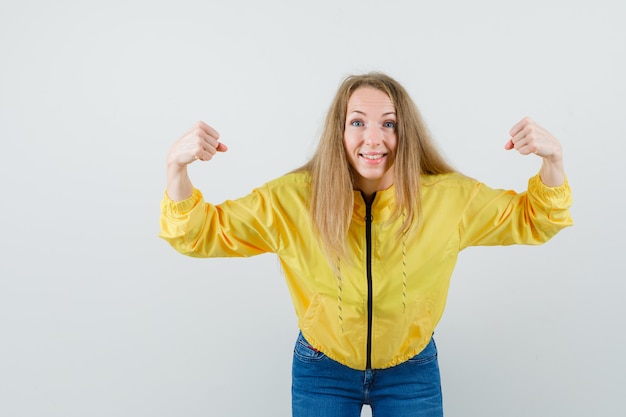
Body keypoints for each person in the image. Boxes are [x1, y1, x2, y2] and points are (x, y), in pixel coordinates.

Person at [159, 72, 573, 417]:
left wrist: (552, 161)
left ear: (404, 132)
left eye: (388, 124)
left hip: (411, 368)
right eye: (358, 122)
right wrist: (176, 169)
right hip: (322, 368)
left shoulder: (449, 199)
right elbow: (200, 232)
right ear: (339, 131)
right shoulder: (292, 200)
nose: (373, 139)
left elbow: (535, 218)